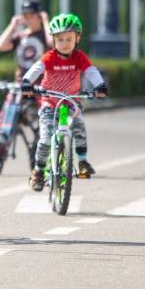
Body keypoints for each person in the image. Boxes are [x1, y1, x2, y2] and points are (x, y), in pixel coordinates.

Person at [20, 13, 108, 191]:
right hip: (49, 103)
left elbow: (91, 71)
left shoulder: (79, 57)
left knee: (79, 125)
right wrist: (26, 81)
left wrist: (99, 85)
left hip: (70, 102)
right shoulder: (50, 56)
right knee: (45, 139)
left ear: (77, 38)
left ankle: (82, 162)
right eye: (60, 39)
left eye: (69, 39)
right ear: (53, 40)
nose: (64, 43)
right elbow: (37, 68)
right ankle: (38, 170)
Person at [0, 0, 53, 173]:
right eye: (26, 16)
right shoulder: (21, 36)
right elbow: (1, 46)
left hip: (41, 83)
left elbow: (52, 43)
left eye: (32, 16)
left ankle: (46, 152)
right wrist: (13, 25)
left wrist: (46, 21)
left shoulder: (44, 34)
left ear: (38, 16)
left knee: (48, 114)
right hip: (21, 83)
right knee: (6, 114)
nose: (28, 19)